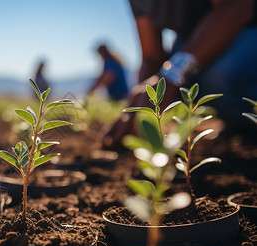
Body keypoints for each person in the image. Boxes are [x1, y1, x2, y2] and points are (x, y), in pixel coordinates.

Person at [100, 0, 257, 148]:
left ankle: (245, 123)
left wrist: (172, 75)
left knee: (219, 76)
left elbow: (238, 6)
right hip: (194, 36)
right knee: (181, 80)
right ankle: (233, 121)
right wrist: (137, 110)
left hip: (246, 25)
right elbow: (152, 57)